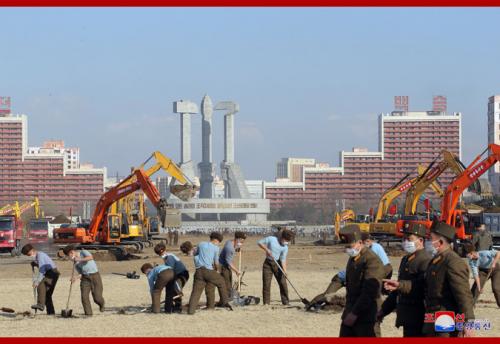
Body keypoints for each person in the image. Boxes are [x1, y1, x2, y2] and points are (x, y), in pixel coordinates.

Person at [421, 222, 475, 337]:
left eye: (430, 239)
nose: (428, 242)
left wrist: (468, 321)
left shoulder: (452, 261)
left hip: (446, 318)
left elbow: (463, 293)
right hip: (433, 316)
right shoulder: (437, 260)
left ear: (440, 242)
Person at [379, 223, 431, 337]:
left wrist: (400, 285)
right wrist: (383, 310)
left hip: (420, 316)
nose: (405, 242)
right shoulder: (406, 259)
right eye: (404, 239)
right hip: (407, 316)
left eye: (409, 239)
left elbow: (422, 286)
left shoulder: (426, 260)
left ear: (421, 240)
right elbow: (399, 290)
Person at [339, 225, 385, 337]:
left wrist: (354, 313)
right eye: (346, 246)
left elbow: (369, 292)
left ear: (360, 242)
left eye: (350, 246)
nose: (347, 249)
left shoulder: (371, 260)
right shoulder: (355, 258)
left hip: (366, 314)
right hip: (351, 310)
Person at [185, 232, 232, 314]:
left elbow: (196, 254)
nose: (218, 244)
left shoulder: (201, 244)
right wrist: (217, 270)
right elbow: (216, 262)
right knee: (221, 282)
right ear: (216, 240)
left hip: (198, 271)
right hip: (208, 270)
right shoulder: (216, 248)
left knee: (196, 292)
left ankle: (191, 310)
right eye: (219, 242)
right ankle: (225, 302)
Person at [62, 245, 105, 316]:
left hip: (95, 276)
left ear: (72, 252)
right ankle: (88, 314)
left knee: (97, 298)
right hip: (85, 279)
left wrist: (79, 259)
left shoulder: (83, 252)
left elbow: (91, 257)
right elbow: (81, 273)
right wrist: (75, 278)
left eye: (68, 255)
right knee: (84, 297)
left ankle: (102, 304)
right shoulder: (75, 262)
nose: (68, 257)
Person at [257, 228, 294, 305]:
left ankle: (286, 302)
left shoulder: (285, 248)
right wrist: (267, 250)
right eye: (286, 240)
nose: (286, 242)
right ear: (282, 237)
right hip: (267, 264)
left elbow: (283, 259)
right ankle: (266, 303)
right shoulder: (271, 239)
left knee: (283, 283)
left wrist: (285, 271)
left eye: (288, 241)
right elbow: (259, 242)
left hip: (278, 264)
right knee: (266, 284)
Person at [21, 244, 60, 315]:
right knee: (47, 294)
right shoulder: (38, 256)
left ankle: (40, 305)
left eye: (28, 253)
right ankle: (51, 312)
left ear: (32, 250)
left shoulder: (40, 255)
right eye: (26, 255)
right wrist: (35, 264)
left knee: (40, 285)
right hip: (51, 273)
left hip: (52, 273)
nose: (28, 255)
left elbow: (42, 271)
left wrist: (36, 282)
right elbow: (42, 266)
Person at [154, 242, 189, 313]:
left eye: (160, 253)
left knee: (176, 290)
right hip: (175, 274)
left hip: (182, 274)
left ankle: (178, 307)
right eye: (158, 254)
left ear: (163, 250)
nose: (160, 255)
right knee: (172, 289)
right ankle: (171, 306)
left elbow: (170, 269)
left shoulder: (169, 257)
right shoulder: (166, 257)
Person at [463, 242, 499, 307]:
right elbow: (476, 275)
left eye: (467, 255)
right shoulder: (471, 262)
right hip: (483, 271)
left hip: (495, 270)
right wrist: (479, 288)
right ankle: (470, 305)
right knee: (476, 287)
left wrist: (494, 262)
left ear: (472, 253)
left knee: (496, 288)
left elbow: (498, 253)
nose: (466, 257)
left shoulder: (484, 253)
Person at [219, 231, 246, 297]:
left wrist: (237, 247)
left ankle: (229, 297)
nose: (243, 242)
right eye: (242, 240)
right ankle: (227, 299)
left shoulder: (229, 242)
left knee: (229, 282)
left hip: (226, 266)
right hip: (223, 267)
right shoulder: (229, 248)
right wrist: (237, 271)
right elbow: (229, 262)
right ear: (238, 239)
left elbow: (235, 248)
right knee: (227, 284)